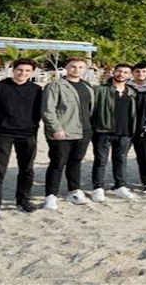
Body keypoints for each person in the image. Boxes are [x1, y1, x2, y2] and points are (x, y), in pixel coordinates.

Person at [0, 58, 43, 219]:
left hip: (27, 134)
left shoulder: (36, 90)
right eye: (20, 69)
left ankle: (23, 200)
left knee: (27, 169)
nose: (23, 73)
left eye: (27, 71)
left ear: (32, 72)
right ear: (13, 70)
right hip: (2, 133)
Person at [41, 57, 94, 210]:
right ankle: (51, 196)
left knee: (76, 162)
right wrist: (56, 128)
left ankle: (74, 191)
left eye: (80, 67)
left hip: (84, 130)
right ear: (66, 67)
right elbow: (47, 110)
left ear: (85, 69)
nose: (76, 70)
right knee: (57, 163)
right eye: (73, 66)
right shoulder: (55, 86)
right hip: (63, 132)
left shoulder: (87, 86)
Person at [90, 63, 138, 202]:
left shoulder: (132, 92)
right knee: (100, 160)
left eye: (125, 72)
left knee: (121, 160)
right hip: (103, 131)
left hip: (124, 132)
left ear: (129, 75)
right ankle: (98, 188)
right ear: (113, 72)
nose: (121, 74)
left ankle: (120, 186)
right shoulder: (100, 90)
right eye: (119, 71)